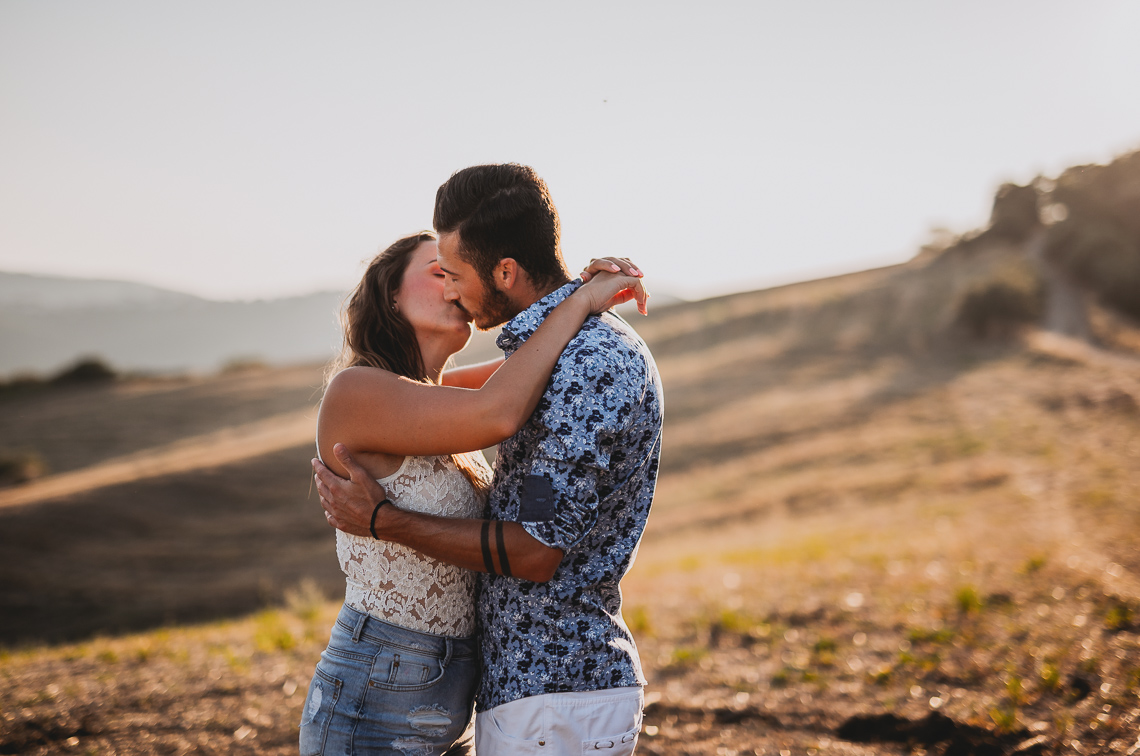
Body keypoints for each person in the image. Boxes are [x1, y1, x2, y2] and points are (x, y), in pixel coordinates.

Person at [313, 163, 664, 756]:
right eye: (437, 273)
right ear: (391, 298)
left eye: (453, 272)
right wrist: (577, 301)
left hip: (517, 688)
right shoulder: (361, 391)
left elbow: (512, 389)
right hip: (387, 680)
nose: (451, 287)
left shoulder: (545, 371)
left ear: (503, 270)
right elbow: (501, 405)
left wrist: (577, 301)